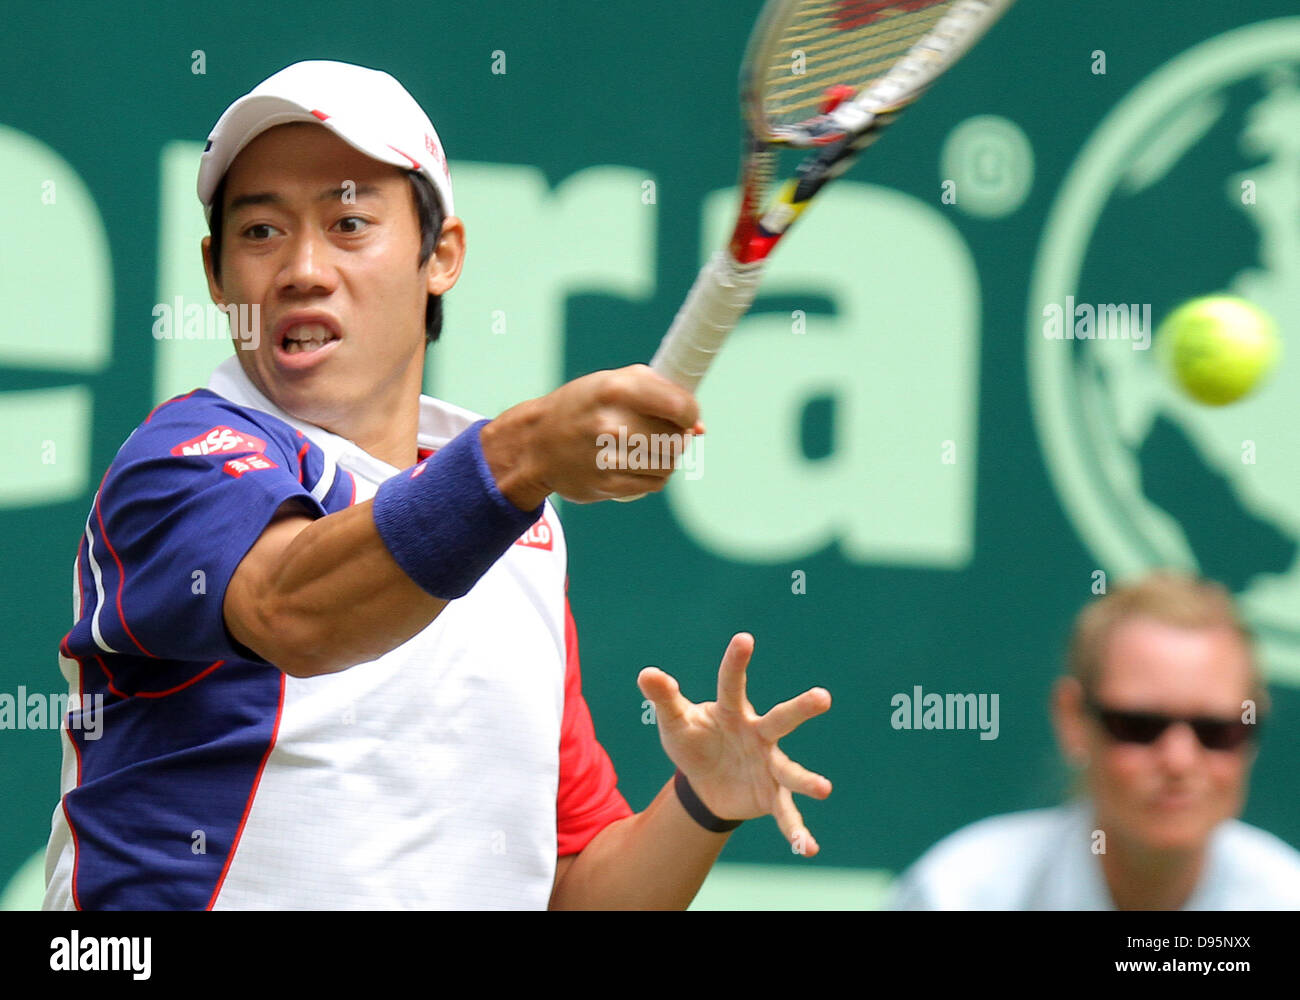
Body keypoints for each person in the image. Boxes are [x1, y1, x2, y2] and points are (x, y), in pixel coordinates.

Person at [42, 60, 831, 910]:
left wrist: (703, 803)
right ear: (215, 273)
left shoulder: (517, 529)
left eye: (349, 223)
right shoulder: (183, 459)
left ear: (441, 255)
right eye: (260, 232)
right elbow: (292, 612)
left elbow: (571, 886)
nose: (302, 269)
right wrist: (522, 456)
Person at [890, 570, 1300, 910]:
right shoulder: (959, 894)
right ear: (1072, 719)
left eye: (1216, 731)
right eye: (1139, 726)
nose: (1179, 760)